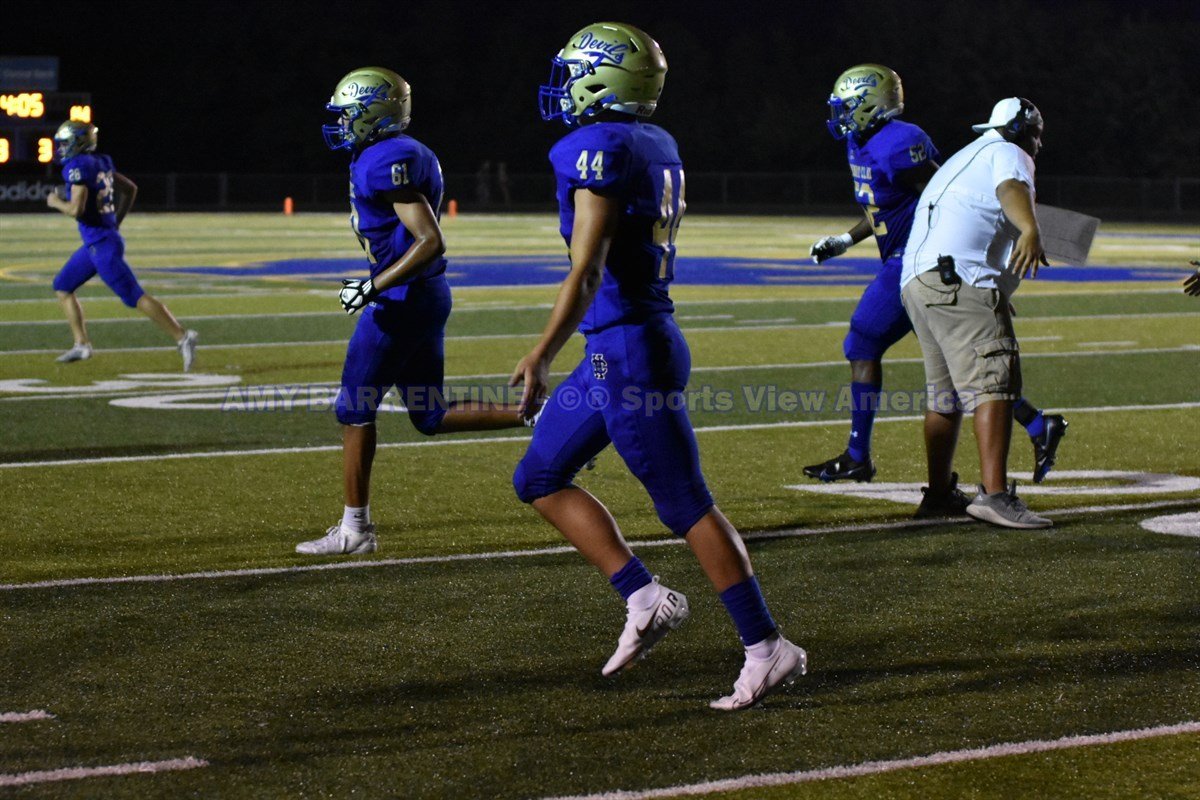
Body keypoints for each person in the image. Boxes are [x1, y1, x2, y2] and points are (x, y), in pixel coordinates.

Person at [511, 23, 805, 711]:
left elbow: (588, 269)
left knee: (684, 504)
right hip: (620, 346)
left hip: (629, 353)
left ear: (602, 79)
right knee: (539, 477)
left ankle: (767, 646)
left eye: (574, 72)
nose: (563, 86)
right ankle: (645, 598)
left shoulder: (595, 147)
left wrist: (541, 352)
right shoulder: (654, 141)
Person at [805, 66, 1068, 498]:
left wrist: (970, 275)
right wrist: (846, 240)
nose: (842, 115)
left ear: (872, 104)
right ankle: (1036, 424)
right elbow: (882, 204)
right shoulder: (861, 141)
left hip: (919, 259)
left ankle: (859, 456)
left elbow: (943, 200)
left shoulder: (899, 142)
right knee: (956, 360)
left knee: (864, 340)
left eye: (849, 106)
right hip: (913, 262)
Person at [297, 67, 528, 556]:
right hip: (424, 294)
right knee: (429, 413)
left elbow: (429, 240)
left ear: (373, 114)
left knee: (354, 408)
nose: (341, 123)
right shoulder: (395, 151)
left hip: (401, 300)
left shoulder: (387, 158)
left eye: (349, 114)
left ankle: (355, 529)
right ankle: (537, 416)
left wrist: (372, 285)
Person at [899, 97, 1054, 529]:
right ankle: (995, 495)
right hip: (960, 277)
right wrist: (1030, 227)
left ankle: (939, 493)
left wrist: (995, 288)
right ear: (1020, 131)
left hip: (919, 282)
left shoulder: (964, 158)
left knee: (945, 397)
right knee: (995, 385)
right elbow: (1010, 189)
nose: (1038, 145)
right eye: (1036, 135)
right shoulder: (1008, 151)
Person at [46, 121, 198, 371]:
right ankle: (81, 344)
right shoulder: (101, 162)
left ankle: (183, 337)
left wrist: (55, 202)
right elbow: (130, 189)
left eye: (65, 143)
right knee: (62, 286)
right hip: (98, 242)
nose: (61, 148)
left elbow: (76, 210)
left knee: (134, 296)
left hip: (101, 246)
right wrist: (116, 221)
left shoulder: (77, 167)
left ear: (78, 143)